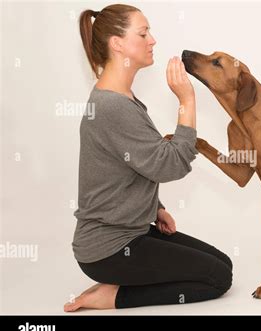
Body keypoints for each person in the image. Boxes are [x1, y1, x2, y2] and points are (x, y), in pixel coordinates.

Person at [64, 4, 232, 312]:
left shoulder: (121, 98)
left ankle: (122, 280)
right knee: (218, 278)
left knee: (223, 264)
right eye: (143, 33)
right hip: (109, 250)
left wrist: (156, 207)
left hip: (132, 231)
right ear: (117, 44)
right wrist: (187, 100)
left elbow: (132, 164)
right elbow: (170, 164)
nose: (152, 40)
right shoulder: (112, 106)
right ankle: (112, 296)